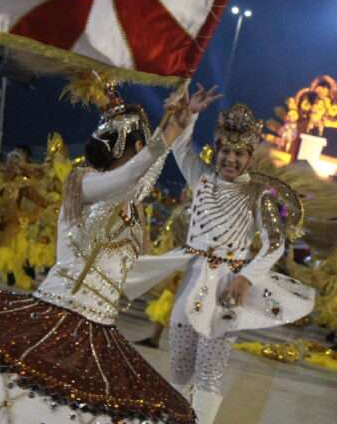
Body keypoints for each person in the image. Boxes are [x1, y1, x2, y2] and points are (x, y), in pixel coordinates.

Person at [0, 86, 195, 423]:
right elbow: (130, 175)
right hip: (58, 311)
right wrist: (168, 132)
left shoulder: (134, 210)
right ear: (138, 148)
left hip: (99, 330)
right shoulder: (81, 182)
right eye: (143, 149)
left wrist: (183, 123)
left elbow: (138, 181)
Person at [124, 86, 315, 424]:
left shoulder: (258, 196)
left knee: (209, 375)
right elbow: (180, 148)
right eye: (226, 151)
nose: (231, 159)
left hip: (227, 293)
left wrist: (244, 279)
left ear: (250, 156)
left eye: (240, 154)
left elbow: (275, 244)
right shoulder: (202, 179)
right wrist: (193, 114)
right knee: (180, 370)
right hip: (190, 284)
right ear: (217, 150)